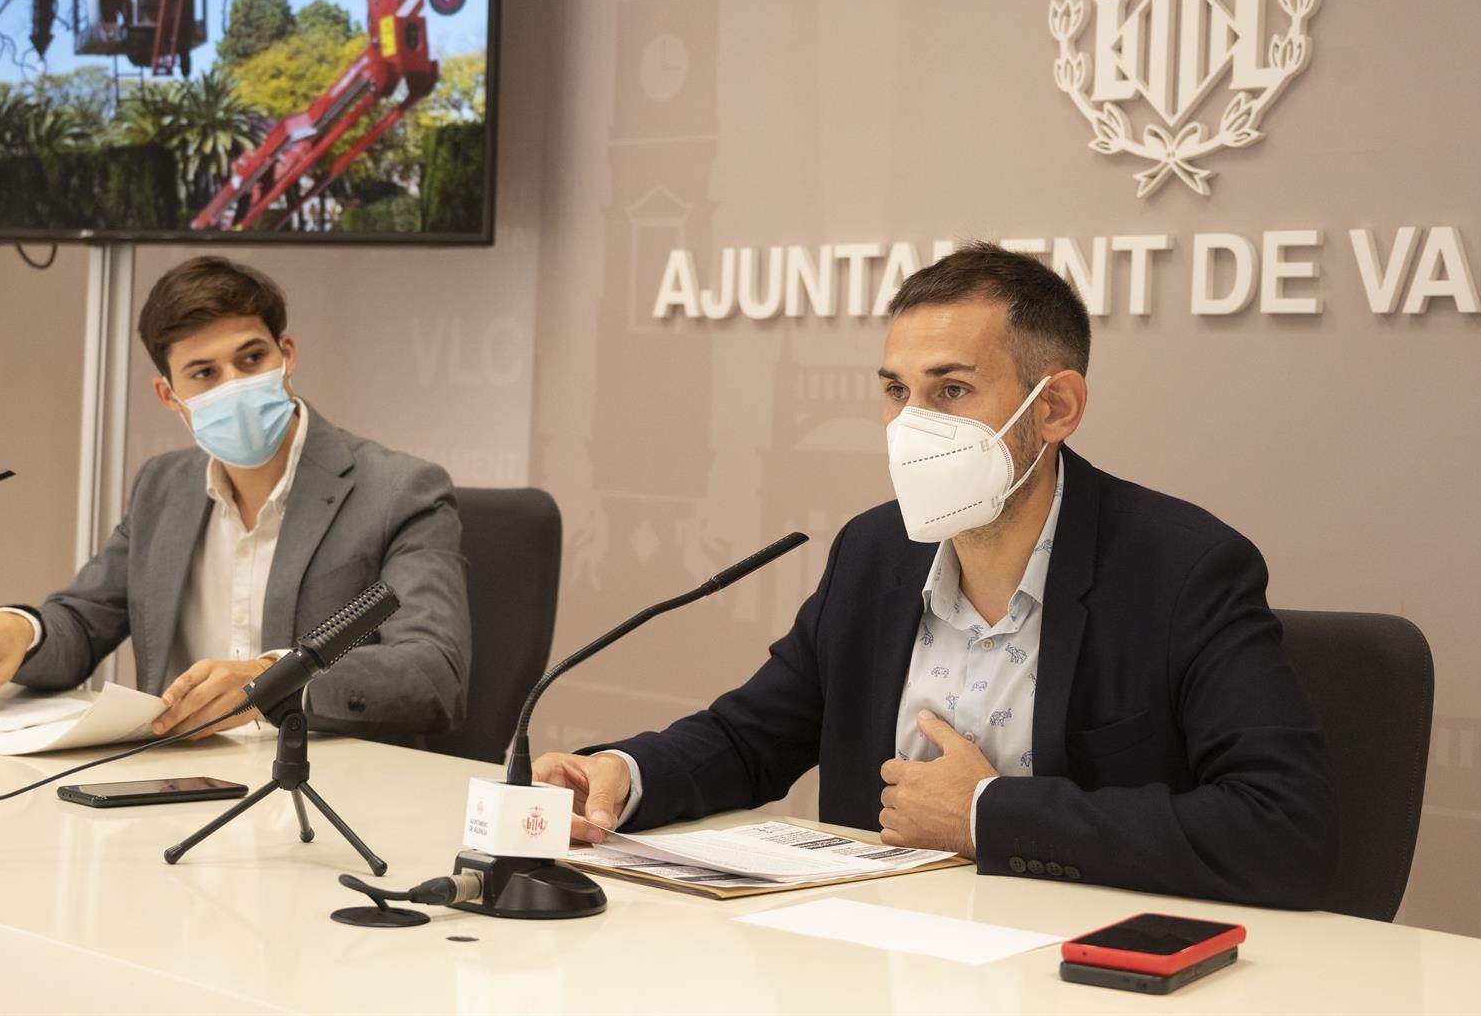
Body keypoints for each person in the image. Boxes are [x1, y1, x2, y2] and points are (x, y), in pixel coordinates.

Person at [533, 243, 1335, 908]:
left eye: (951, 390)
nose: (911, 426)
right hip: (875, 961)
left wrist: (989, 815)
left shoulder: (1183, 568)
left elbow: (1281, 827)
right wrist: (620, 776)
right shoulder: (874, 551)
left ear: (1055, 409)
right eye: (895, 391)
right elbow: (751, 738)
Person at [0, 256, 469, 745]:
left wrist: (272, 679)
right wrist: (20, 629)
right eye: (204, 373)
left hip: (320, 793)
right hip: (172, 783)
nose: (234, 385)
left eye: (251, 358)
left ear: (286, 356)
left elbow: (432, 673)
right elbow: (83, 623)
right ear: (169, 395)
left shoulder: (398, 490)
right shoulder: (162, 487)